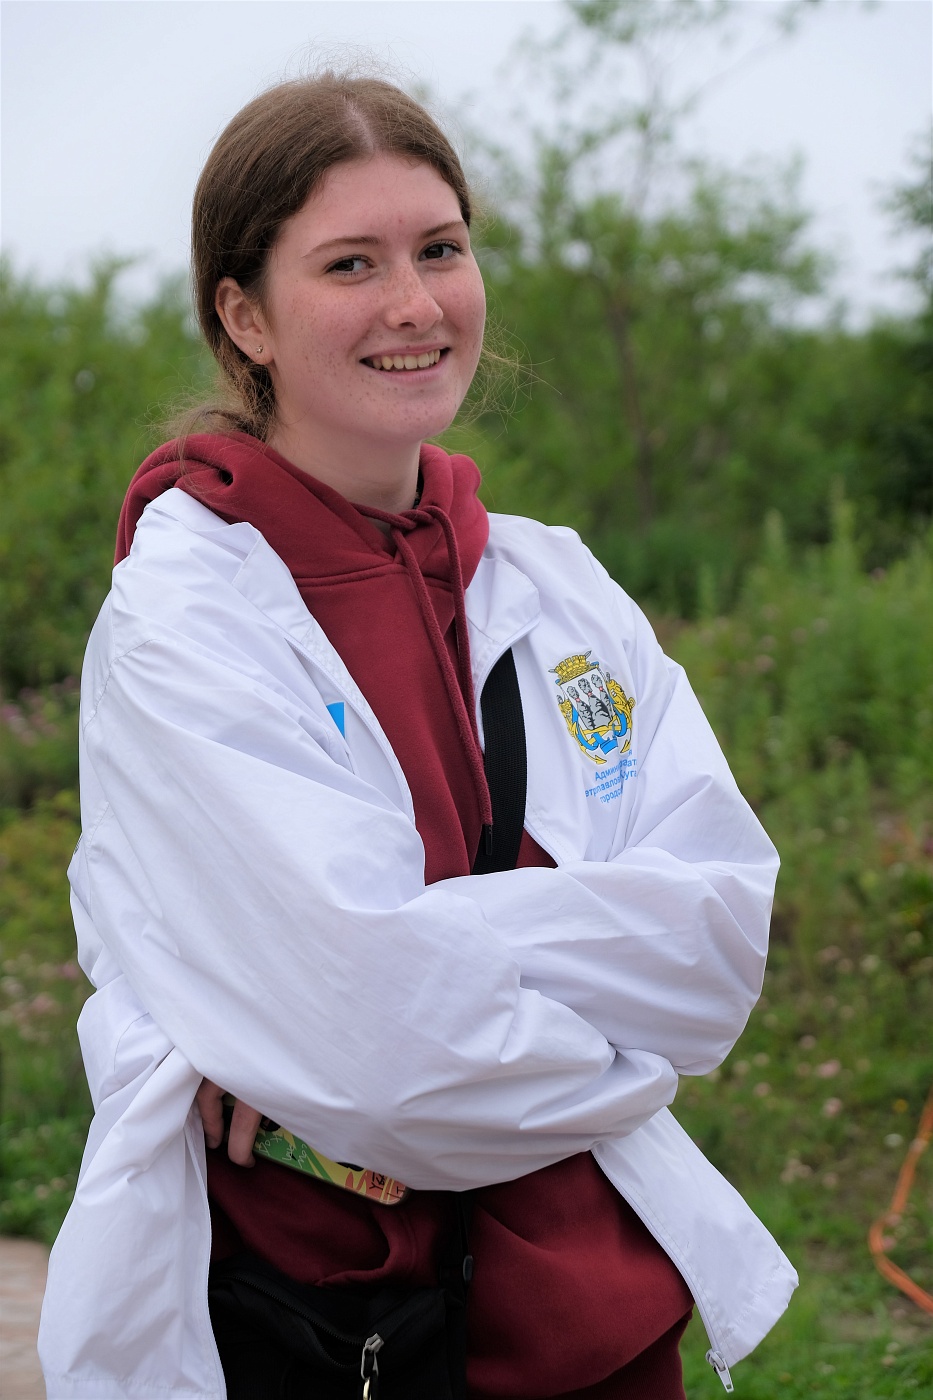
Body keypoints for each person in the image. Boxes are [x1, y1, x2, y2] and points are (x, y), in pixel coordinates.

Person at [38, 72, 796, 1400]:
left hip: (596, 1310)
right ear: (244, 315)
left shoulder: (557, 586)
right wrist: (592, 1027)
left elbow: (718, 943)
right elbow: (385, 1054)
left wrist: (329, 1000)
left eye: (439, 249)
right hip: (333, 1318)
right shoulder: (186, 617)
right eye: (351, 263)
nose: (414, 303)